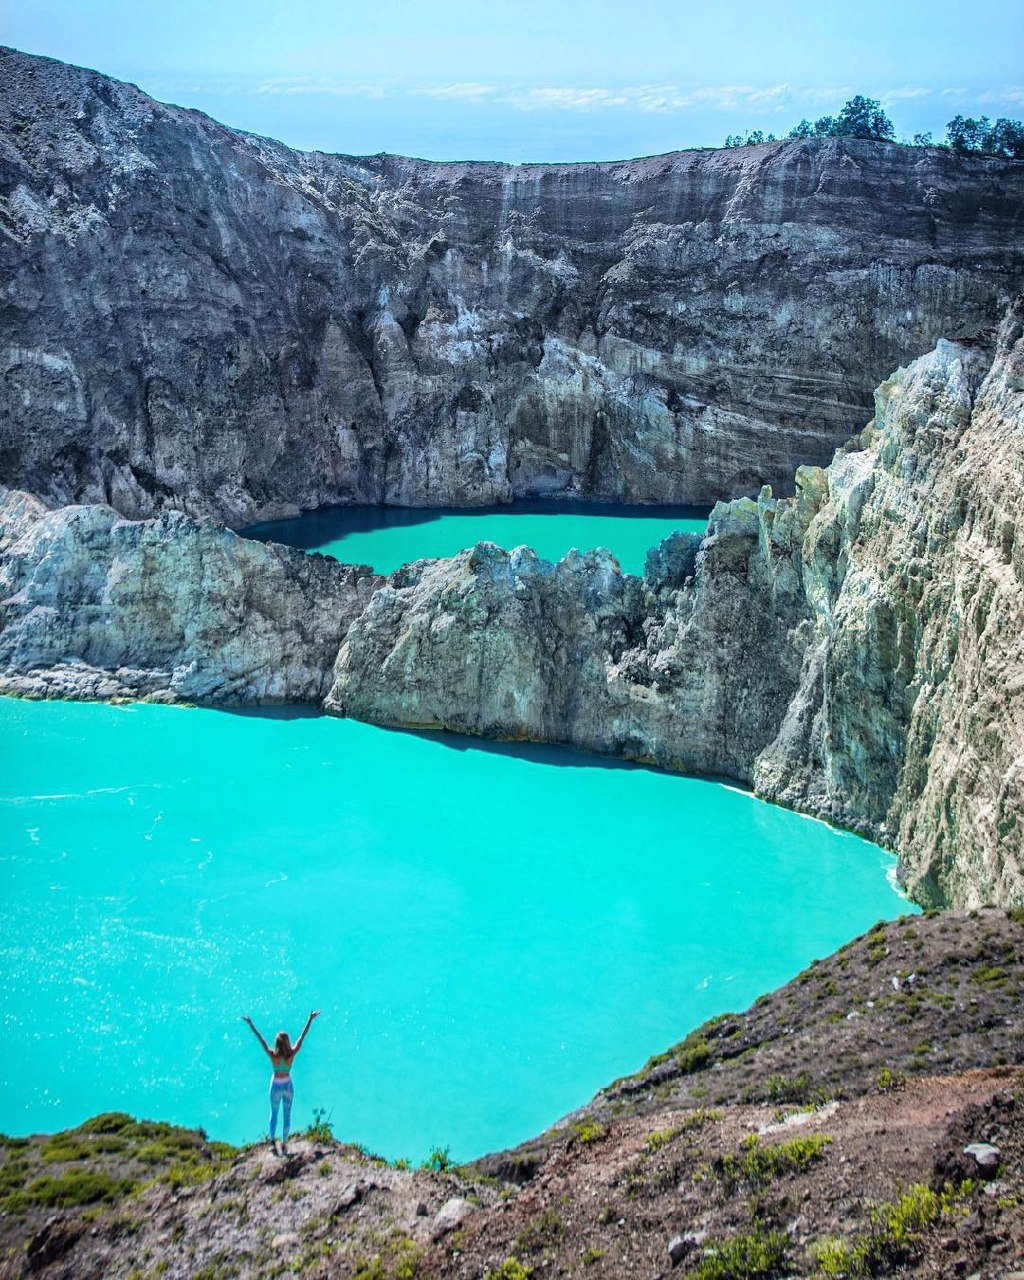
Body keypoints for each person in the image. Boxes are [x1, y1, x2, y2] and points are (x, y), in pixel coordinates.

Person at [242, 1010, 320, 1153]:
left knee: (274, 1113)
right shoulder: (292, 1054)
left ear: (276, 1043)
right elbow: (303, 1036)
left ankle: (272, 1141)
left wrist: (251, 1025)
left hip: (276, 1086)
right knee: (287, 1115)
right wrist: (310, 1019)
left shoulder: (273, 1055)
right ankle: (284, 1143)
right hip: (288, 1085)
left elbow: (262, 1041)